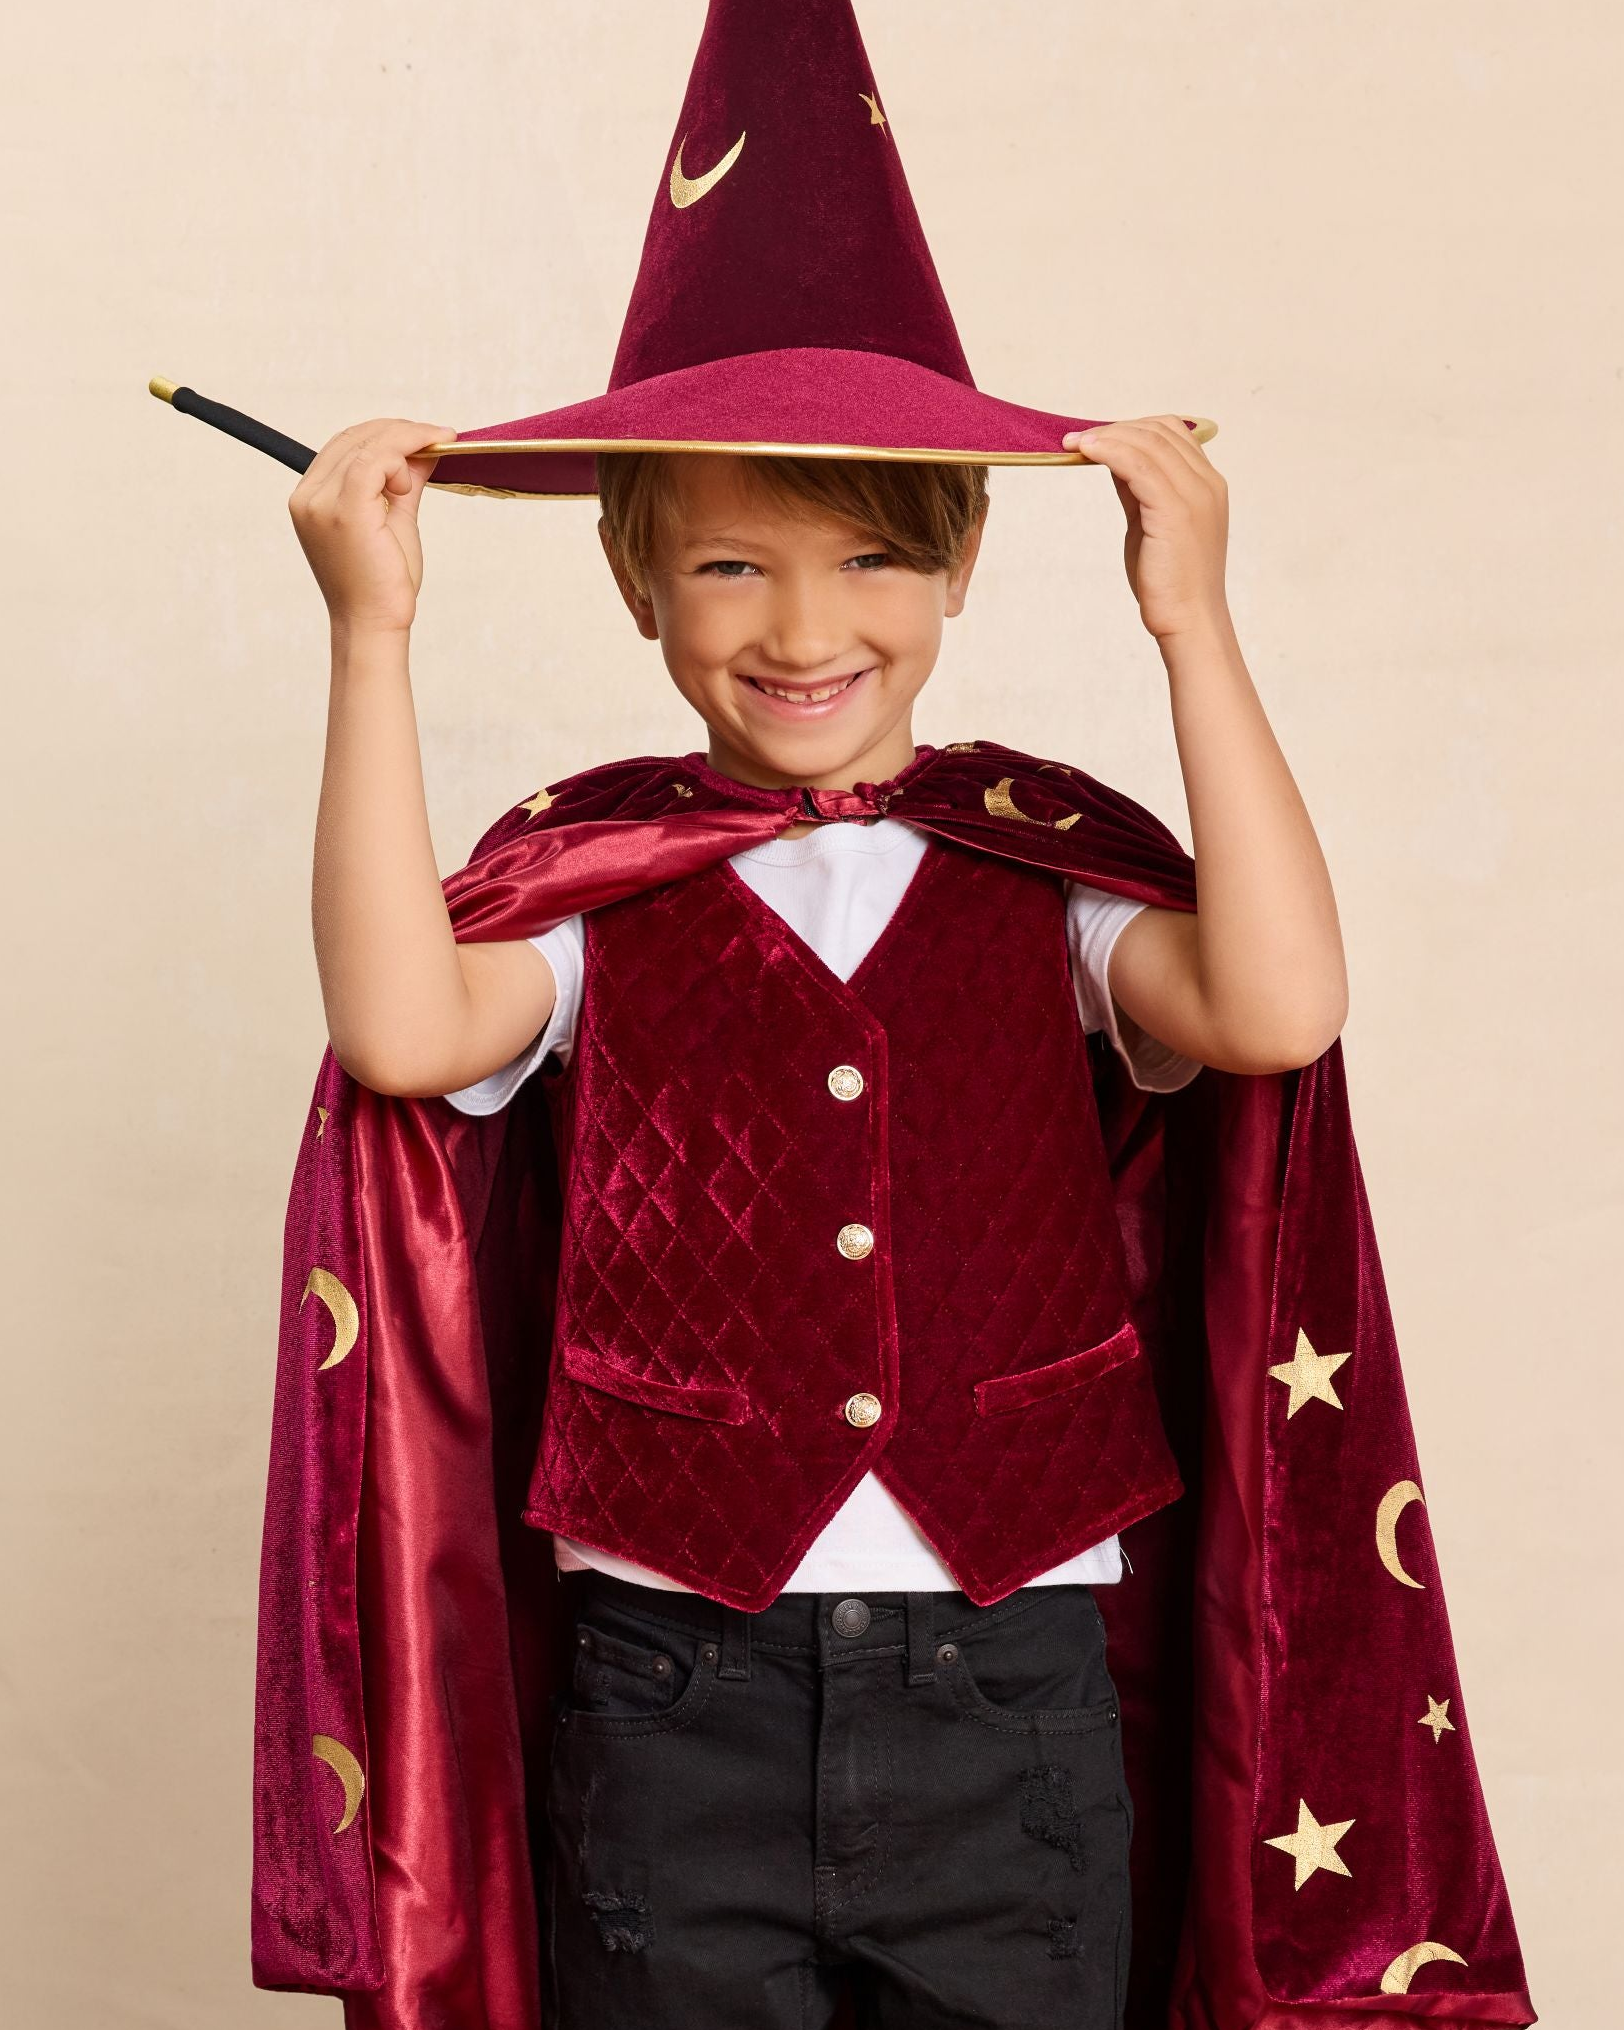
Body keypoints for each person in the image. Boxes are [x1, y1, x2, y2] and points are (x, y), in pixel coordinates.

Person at [251, 5, 1533, 2026]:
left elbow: (1274, 1009)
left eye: (864, 558)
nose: (797, 626)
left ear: (949, 573)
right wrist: (369, 638)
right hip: (671, 1706)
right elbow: (406, 1033)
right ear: (638, 592)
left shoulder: (1040, 876)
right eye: (727, 566)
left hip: (1005, 1695)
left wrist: (1190, 618)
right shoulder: (597, 882)